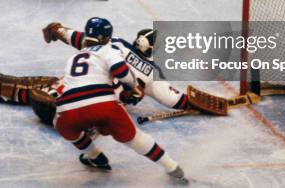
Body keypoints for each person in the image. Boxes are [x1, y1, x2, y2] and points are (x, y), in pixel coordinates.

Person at [53, 17, 187, 182]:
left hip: (68, 107)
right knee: (135, 138)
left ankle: (94, 155)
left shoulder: (76, 56)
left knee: (62, 124)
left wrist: (58, 30)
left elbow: (72, 36)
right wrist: (133, 87)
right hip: (105, 104)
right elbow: (173, 99)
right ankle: (172, 167)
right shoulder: (111, 49)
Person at [43, 22, 191, 111]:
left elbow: (80, 38)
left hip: (71, 90)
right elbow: (174, 100)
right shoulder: (153, 73)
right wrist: (194, 104)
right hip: (96, 106)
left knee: (73, 78)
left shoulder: (115, 43)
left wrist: (59, 30)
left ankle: (47, 92)